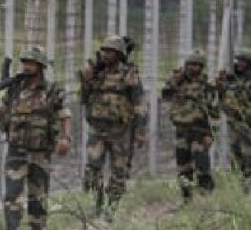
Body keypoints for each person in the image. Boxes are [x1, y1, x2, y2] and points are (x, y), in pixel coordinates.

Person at [0, 46, 71, 230]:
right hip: (16, 151)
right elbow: (2, 114)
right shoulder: (15, 89)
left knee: (38, 197)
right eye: (24, 62)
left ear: (40, 66)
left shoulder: (52, 90)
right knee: (11, 196)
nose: (26, 66)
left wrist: (65, 138)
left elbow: (64, 114)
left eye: (31, 63)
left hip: (40, 153)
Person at [79, 35, 147, 220]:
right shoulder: (96, 74)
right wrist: (85, 80)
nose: (105, 54)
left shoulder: (129, 74)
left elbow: (139, 103)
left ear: (119, 54)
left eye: (110, 51)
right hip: (98, 130)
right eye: (104, 51)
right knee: (92, 168)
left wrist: (140, 130)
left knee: (119, 170)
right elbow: (84, 99)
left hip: (121, 131)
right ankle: (97, 204)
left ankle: (112, 207)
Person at [161, 50, 218, 202]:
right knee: (183, 167)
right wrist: (175, 81)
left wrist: (211, 135)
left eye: (196, 65)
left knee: (201, 164)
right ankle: (187, 199)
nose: (193, 68)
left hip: (200, 130)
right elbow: (165, 94)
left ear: (201, 67)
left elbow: (214, 111)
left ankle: (207, 196)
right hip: (181, 130)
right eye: (190, 64)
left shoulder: (206, 84)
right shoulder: (178, 81)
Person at [215, 49, 251, 193]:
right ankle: (242, 183)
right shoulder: (232, 79)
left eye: (244, 61)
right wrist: (220, 84)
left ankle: (247, 185)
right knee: (237, 153)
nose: (240, 63)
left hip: (247, 123)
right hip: (235, 123)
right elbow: (222, 97)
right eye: (239, 60)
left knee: (248, 154)